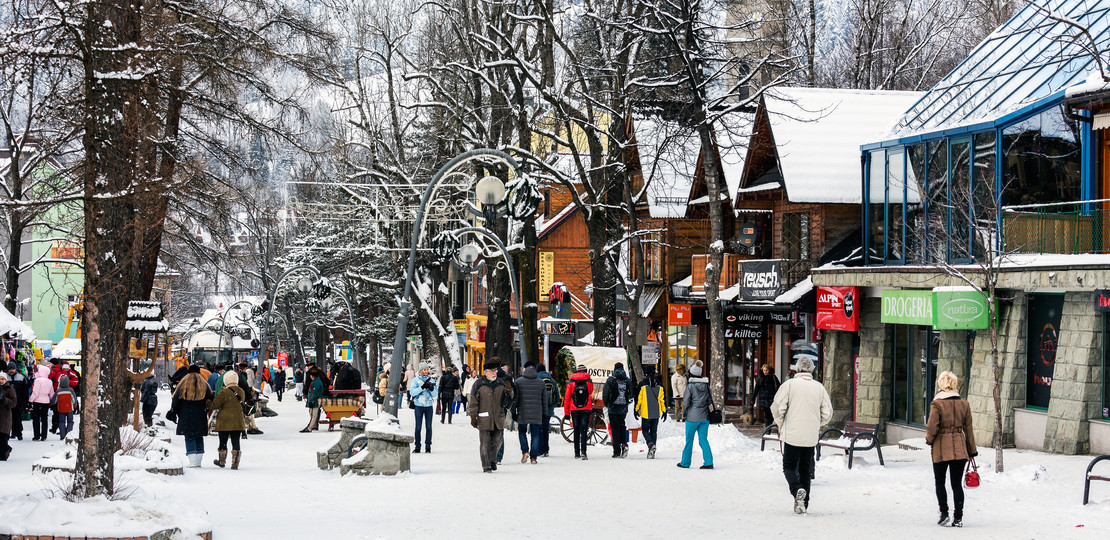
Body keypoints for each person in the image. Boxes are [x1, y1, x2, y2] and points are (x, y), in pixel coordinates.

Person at [771, 356, 832, 515]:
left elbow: (777, 407)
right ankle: (803, 503)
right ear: (812, 370)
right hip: (810, 435)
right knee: (805, 470)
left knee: (789, 467)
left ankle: (797, 489)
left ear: (796, 370)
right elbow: (828, 413)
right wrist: (816, 423)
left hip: (792, 433)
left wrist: (781, 423)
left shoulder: (789, 385)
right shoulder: (819, 388)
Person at [925, 371, 977, 528]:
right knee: (956, 484)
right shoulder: (964, 404)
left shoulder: (937, 404)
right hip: (960, 448)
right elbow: (969, 429)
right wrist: (971, 450)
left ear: (941, 384)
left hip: (941, 449)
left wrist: (929, 440)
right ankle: (958, 517)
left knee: (940, 482)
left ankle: (944, 513)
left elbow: (932, 427)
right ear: (955, 384)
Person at [467, 359, 513, 473]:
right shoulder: (478, 384)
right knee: (485, 443)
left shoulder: (501, 383)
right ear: (485, 372)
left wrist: (509, 390)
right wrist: (473, 416)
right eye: (492, 371)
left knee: (497, 442)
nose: (494, 373)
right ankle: (486, 465)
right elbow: (473, 401)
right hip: (484, 418)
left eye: (495, 371)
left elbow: (510, 398)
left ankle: (493, 460)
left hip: (498, 417)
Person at [171, 365, 213, 467]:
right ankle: (198, 460)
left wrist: (174, 412)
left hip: (186, 414)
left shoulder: (183, 383)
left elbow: (176, 399)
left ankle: (192, 460)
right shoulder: (204, 384)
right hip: (200, 414)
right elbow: (210, 399)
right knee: (198, 436)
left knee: (189, 436)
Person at [677, 360, 713, 470]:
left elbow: (686, 402)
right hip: (705, 417)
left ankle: (685, 462)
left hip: (692, 417)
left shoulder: (690, 386)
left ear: (692, 373)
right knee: (703, 440)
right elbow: (710, 401)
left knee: (689, 440)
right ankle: (709, 462)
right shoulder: (706, 386)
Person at [209, 370, 248, 469]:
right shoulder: (241, 391)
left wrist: (208, 402)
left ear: (226, 380)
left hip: (224, 421)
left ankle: (222, 461)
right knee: (236, 442)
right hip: (237, 421)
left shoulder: (224, 392)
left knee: (223, 441)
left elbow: (215, 405)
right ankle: (235, 463)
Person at [513, 362, 548, 464]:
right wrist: (544, 413)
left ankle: (525, 451)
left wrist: (513, 411)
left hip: (523, 411)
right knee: (535, 435)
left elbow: (516, 399)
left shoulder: (519, 382)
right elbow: (544, 400)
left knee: (522, 432)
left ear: (524, 369)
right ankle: (534, 457)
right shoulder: (541, 382)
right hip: (536, 413)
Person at [603, 362, 635, 458]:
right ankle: (624, 444)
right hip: (623, 408)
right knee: (622, 426)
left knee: (614, 429)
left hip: (612, 408)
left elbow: (605, 393)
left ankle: (616, 451)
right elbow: (632, 393)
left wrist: (607, 404)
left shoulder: (611, 379)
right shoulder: (627, 380)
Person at [562, 363, 594, 460]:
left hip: (574, 409)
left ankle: (576, 453)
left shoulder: (571, 382)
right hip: (586, 408)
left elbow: (567, 398)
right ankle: (584, 452)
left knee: (576, 430)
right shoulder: (589, 381)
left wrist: (566, 413)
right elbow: (591, 392)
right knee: (584, 430)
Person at [635, 368, 667, 459]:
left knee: (645, 430)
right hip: (656, 412)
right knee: (654, 431)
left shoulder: (643, 386)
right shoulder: (660, 386)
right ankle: (652, 451)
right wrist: (664, 411)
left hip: (646, 412)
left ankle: (650, 444)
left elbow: (639, 399)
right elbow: (662, 400)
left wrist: (636, 409)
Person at [408, 362, 438, 453]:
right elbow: (412, 392)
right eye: (424, 370)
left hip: (429, 406)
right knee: (418, 427)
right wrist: (422, 387)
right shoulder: (415, 380)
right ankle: (417, 446)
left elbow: (435, 394)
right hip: (419, 406)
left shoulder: (431, 380)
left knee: (429, 427)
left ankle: (428, 446)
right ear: (421, 370)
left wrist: (431, 389)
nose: (426, 371)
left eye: (427, 369)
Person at [535, 363, 559, 457]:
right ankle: (546, 449)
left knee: (539, 428)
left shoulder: (536, 380)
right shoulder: (551, 380)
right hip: (549, 409)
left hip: (539, 408)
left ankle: (540, 449)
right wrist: (552, 404)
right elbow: (557, 395)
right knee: (546, 428)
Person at [28, 364, 54, 441]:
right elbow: (51, 393)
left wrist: (30, 400)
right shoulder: (49, 381)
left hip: (37, 401)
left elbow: (35, 392)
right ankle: (44, 435)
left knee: (36, 419)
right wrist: (52, 401)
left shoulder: (38, 380)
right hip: (46, 401)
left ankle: (36, 435)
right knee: (44, 419)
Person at [52, 375, 78, 440]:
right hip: (69, 409)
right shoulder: (70, 390)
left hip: (61, 409)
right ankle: (68, 434)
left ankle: (62, 435)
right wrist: (75, 405)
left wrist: (52, 403)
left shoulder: (58, 391)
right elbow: (74, 399)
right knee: (70, 421)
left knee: (61, 422)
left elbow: (54, 401)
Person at [6, 362, 27, 441]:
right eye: (10, 369)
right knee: (8, 418)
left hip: (19, 401)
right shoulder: (4, 377)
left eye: (13, 369)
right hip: (7, 402)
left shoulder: (21, 377)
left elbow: (25, 391)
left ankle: (19, 433)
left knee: (17, 418)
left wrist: (25, 402)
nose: (11, 371)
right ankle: (10, 433)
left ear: (15, 369)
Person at [301, 366, 325, 432]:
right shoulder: (316, 381)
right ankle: (313, 426)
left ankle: (310, 427)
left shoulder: (316, 382)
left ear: (313, 376)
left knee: (314, 414)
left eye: (311, 376)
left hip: (315, 401)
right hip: (314, 400)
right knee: (312, 414)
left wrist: (312, 400)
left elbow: (315, 392)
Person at [0, 371, 16, 460]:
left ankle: (6, 451)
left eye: (2, 379)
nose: (1, 381)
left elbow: (13, 403)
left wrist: (4, 400)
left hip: (4, 417)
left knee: (3, 438)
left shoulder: (10, 389)